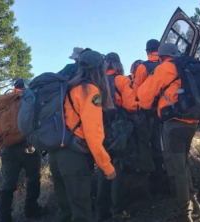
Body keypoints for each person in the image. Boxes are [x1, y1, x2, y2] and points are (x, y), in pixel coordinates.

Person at [137, 43, 200, 222]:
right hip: (192, 121)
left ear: (162, 56)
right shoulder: (187, 66)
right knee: (183, 165)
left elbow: (143, 97)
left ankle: (184, 214)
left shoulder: (165, 68)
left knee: (176, 169)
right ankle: (195, 205)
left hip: (174, 124)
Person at [48, 50, 116, 222]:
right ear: (100, 69)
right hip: (74, 158)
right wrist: (106, 166)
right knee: (82, 213)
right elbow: (93, 134)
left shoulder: (69, 86)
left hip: (56, 154)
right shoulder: (90, 91)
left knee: (66, 210)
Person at [96, 52, 137, 221]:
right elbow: (131, 106)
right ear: (118, 64)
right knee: (116, 166)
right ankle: (118, 210)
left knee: (102, 167)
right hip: (118, 128)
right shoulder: (121, 80)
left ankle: (101, 211)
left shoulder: (96, 83)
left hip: (99, 129)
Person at [0, 78, 44, 222]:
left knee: (8, 184)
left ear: (14, 87)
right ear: (26, 86)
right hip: (27, 146)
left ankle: (5, 217)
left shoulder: (5, 101)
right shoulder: (30, 97)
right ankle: (31, 209)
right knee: (33, 177)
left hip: (6, 147)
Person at [133, 39, 164, 198]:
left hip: (147, 112)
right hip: (165, 112)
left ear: (147, 51)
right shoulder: (165, 64)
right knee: (162, 145)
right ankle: (164, 180)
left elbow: (136, 91)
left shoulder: (143, 67)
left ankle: (150, 181)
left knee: (146, 145)